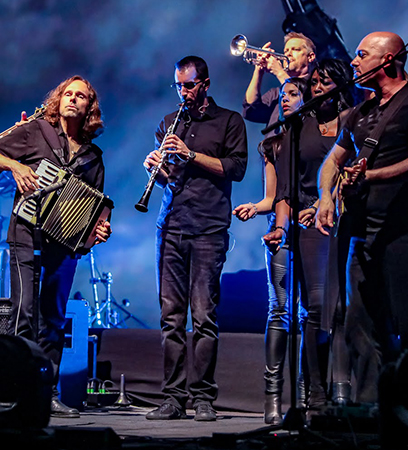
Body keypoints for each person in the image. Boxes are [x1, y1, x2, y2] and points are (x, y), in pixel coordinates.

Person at [316, 32, 408, 404]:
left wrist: (369, 175)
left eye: (361, 55)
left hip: (406, 231)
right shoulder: (360, 111)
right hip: (361, 230)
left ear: (387, 60)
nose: (353, 62)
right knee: (360, 324)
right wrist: (326, 195)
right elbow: (333, 160)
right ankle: (372, 410)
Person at [0, 75, 112, 419]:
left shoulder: (93, 157)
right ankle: (17, 391)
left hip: (64, 247)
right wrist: (15, 166)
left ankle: (47, 392)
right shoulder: (35, 130)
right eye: (67, 94)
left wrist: (100, 229)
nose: (72, 99)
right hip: (25, 233)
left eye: (80, 96)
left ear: (89, 107)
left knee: (52, 320)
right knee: (23, 311)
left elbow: (97, 208)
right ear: (58, 100)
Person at [143, 56, 247, 421]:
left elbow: (235, 168)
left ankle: (203, 397)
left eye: (188, 85)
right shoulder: (169, 123)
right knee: (171, 317)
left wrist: (192, 154)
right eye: (178, 86)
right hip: (170, 226)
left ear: (204, 83)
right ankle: (173, 397)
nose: (182, 92)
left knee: (203, 316)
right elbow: (169, 178)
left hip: (208, 227)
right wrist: (154, 169)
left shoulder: (229, 121)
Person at [263, 59, 360, 415]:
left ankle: (345, 393)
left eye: (325, 82)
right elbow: (286, 189)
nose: (318, 88)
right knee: (316, 310)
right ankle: (314, 394)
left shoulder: (356, 119)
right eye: (315, 82)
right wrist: (281, 226)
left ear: (341, 85)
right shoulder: (298, 127)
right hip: (310, 225)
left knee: (344, 311)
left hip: (349, 222)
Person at [233, 77, 309, 425]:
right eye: (282, 96)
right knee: (279, 310)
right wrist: (255, 207)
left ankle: (309, 396)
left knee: (313, 312)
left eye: (294, 94)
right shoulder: (273, 142)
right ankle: (273, 398)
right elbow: (272, 196)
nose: (286, 100)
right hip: (279, 229)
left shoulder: (317, 138)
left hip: (311, 227)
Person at [243, 32, 316, 135]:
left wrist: (279, 72)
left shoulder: (316, 86)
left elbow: (304, 102)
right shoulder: (276, 93)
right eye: (286, 50)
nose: (288, 54)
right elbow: (250, 110)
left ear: (310, 57)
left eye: (295, 49)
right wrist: (258, 70)